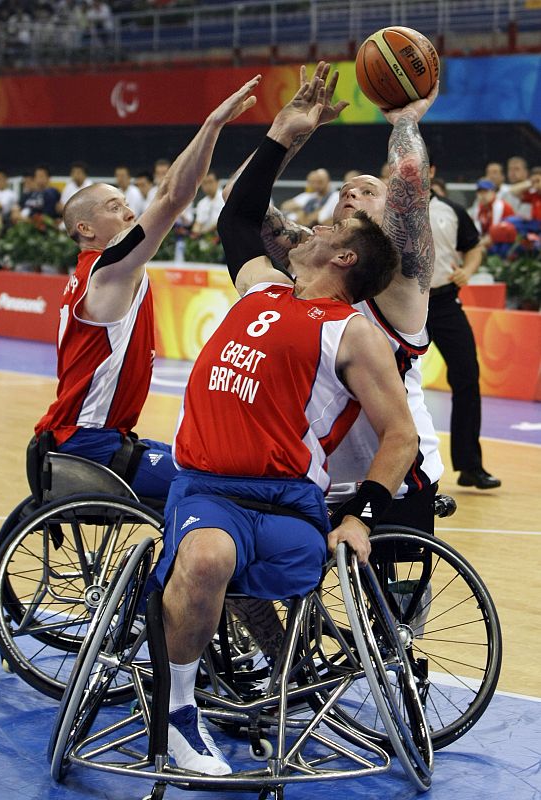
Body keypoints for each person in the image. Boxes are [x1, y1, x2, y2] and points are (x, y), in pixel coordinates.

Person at [154, 74, 418, 777]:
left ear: (343, 259)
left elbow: (401, 435)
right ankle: (179, 715)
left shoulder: (352, 332)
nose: (313, 227)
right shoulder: (262, 288)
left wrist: (360, 515)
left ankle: (283, 677)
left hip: (287, 501)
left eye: (329, 230)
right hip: (210, 488)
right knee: (207, 560)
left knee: (259, 586)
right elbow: (237, 221)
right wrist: (280, 137)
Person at [225, 62, 443, 533]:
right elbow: (237, 200)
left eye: (368, 191)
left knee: (386, 588)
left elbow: (408, 176)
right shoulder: (310, 254)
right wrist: (295, 132)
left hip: (393, 479)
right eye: (345, 191)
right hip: (310, 475)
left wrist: (406, 120)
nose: (351, 194)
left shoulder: (397, 276)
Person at [34, 76, 262, 498]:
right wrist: (213, 124)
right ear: (85, 228)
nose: (128, 213)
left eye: (125, 203)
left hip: (99, 434)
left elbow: (165, 192)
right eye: (114, 207)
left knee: (209, 461)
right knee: (217, 488)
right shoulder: (109, 270)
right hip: (91, 441)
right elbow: (172, 197)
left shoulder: (100, 269)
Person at [428, 158, 501, 489]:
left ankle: (470, 465)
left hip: (444, 301)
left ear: (431, 171)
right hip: (399, 305)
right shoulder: (387, 210)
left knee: (467, 376)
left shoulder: (451, 210)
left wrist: (468, 271)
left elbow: (473, 248)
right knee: (387, 384)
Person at [190, 170, 224, 236]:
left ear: (217, 182)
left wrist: (204, 232)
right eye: (204, 183)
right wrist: (194, 234)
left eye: (210, 182)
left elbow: (222, 220)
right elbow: (198, 223)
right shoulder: (201, 203)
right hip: (206, 237)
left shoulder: (225, 197)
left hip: (222, 234)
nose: (208, 186)